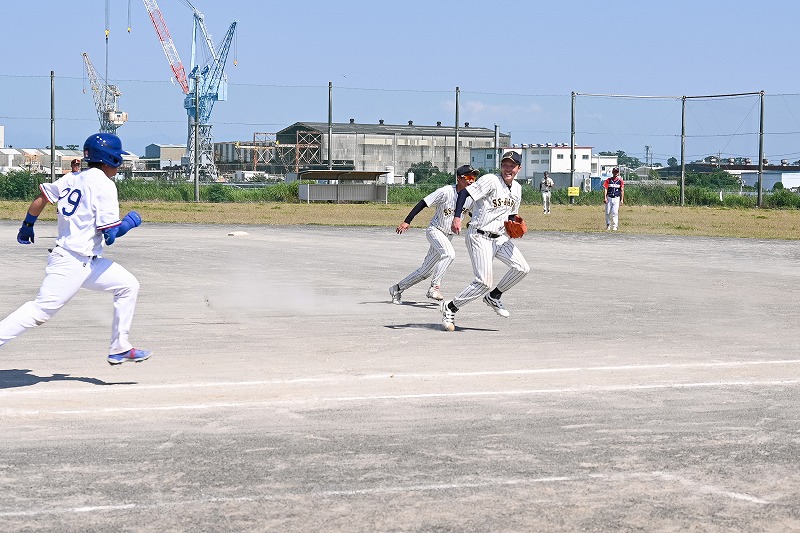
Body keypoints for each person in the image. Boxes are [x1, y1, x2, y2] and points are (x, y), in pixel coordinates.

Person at [0, 133, 152, 365]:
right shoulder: (104, 185)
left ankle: (120, 347)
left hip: (87, 262)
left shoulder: (72, 177)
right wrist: (129, 222)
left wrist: (27, 225)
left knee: (128, 285)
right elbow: (111, 235)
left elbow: (43, 197)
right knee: (40, 311)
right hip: (70, 261)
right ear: (110, 159)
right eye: (117, 159)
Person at [441, 151, 530, 331]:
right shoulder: (490, 180)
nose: (508, 169)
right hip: (479, 235)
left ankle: (494, 296)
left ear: (519, 169)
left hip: (499, 237)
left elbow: (511, 214)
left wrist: (515, 223)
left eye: (512, 166)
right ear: (501, 166)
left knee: (522, 268)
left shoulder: (517, 189)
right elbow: (464, 193)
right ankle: (450, 307)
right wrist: (457, 218)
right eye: (505, 164)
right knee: (483, 282)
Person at [389, 164, 478, 304]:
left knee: (425, 272)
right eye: (468, 177)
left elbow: (473, 213)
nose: (472, 180)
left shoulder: (470, 197)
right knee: (449, 254)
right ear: (459, 178)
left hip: (448, 236)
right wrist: (407, 221)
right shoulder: (446, 191)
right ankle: (434, 288)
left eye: (474, 177)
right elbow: (423, 203)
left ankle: (397, 288)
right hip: (435, 230)